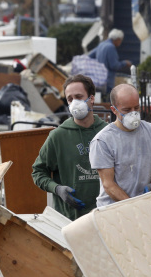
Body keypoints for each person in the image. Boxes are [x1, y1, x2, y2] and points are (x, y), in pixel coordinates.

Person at [32, 74, 108, 221]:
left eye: (79, 97)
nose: (74, 102)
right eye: (70, 99)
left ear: (91, 99)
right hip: (68, 219)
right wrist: (57, 189)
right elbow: (38, 172)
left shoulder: (107, 133)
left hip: (104, 217)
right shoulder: (58, 136)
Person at [89, 84, 151, 208]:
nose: (133, 114)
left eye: (136, 108)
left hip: (146, 205)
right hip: (112, 210)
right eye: (127, 110)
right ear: (114, 110)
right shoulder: (103, 141)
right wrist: (134, 206)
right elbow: (108, 184)